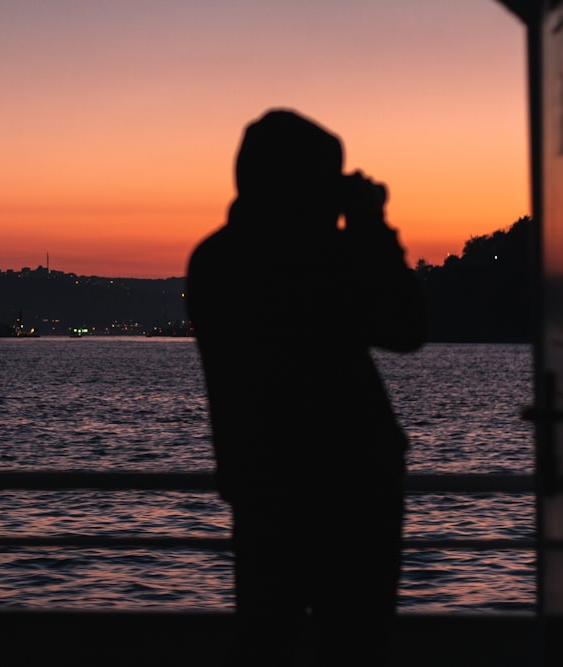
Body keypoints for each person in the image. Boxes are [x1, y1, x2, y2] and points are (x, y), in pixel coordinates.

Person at [185, 108, 426, 666]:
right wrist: (370, 225)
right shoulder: (319, 257)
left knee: (266, 642)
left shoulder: (216, 259)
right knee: (357, 645)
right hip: (353, 496)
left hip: (262, 493)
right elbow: (407, 326)